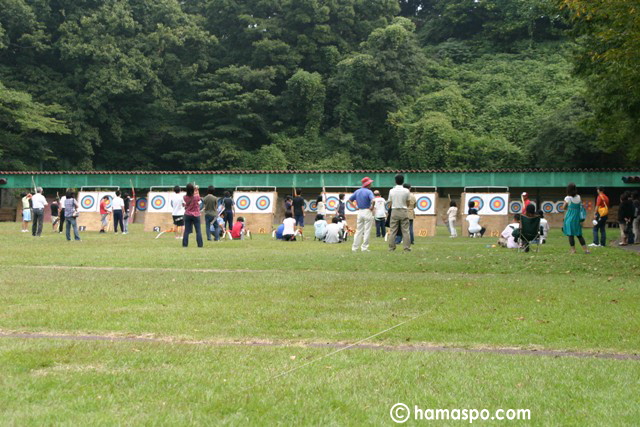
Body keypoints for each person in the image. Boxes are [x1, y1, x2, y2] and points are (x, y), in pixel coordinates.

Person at [562, 182, 590, 254]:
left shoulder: (567, 198)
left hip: (569, 218)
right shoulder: (578, 197)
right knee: (579, 235)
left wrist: (567, 206)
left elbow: (563, 207)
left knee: (570, 235)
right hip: (577, 219)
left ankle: (573, 250)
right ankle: (586, 250)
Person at [349, 177, 375, 252]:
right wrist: (372, 207)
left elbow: (349, 200)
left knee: (358, 230)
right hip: (367, 211)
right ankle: (364, 247)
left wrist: (355, 207)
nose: (371, 184)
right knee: (367, 230)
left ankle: (355, 248)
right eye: (370, 183)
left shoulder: (357, 191)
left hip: (360, 212)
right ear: (368, 184)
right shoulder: (369, 192)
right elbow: (373, 200)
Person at [388, 174, 411, 252]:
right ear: (403, 181)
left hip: (394, 211)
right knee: (405, 231)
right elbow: (408, 202)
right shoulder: (406, 191)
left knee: (393, 230)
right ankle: (406, 248)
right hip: (404, 210)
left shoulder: (391, 190)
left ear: (395, 181)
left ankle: (391, 248)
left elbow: (390, 202)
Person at [182, 183, 203, 248]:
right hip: (196, 215)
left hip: (187, 214)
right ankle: (200, 244)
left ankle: (185, 244)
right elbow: (200, 203)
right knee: (198, 231)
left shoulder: (184, 197)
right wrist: (197, 192)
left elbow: (183, 205)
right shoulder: (196, 197)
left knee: (186, 231)